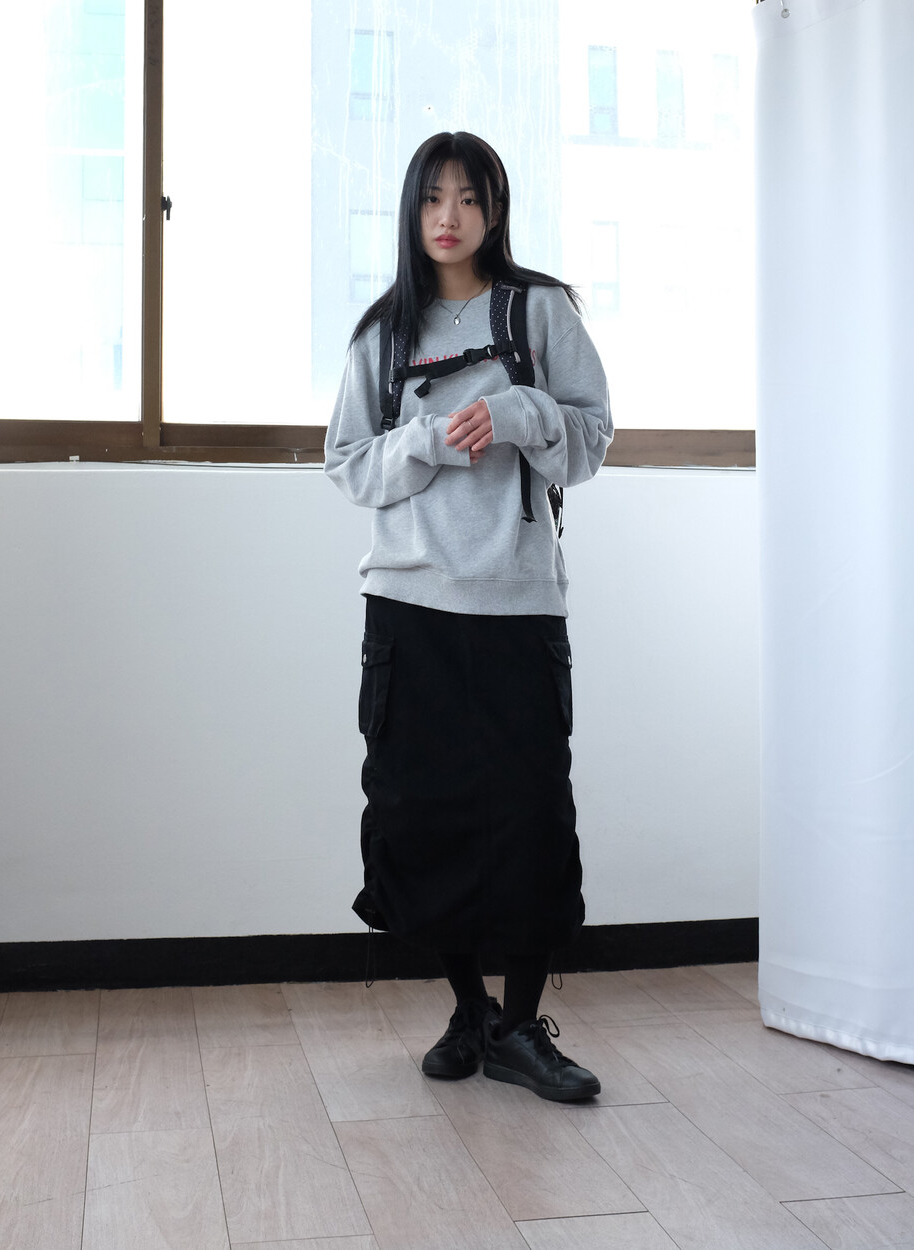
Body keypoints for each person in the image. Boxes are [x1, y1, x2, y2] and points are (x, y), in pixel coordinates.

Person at [325, 132, 612, 1102]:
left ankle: (523, 1026)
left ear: (495, 210)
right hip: (409, 606)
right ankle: (470, 1012)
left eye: (470, 198)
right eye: (432, 198)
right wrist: (430, 441)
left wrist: (524, 414)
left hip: (518, 602)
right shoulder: (383, 333)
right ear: (412, 211)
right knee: (422, 816)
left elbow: (591, 440)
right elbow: (348, 465)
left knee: (533, 816)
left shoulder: (540, 311)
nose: (449, 217)